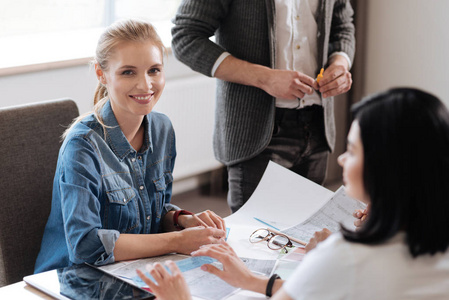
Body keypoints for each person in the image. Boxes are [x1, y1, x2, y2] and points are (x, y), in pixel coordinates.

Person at [137, 88, 449, 299]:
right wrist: (253, 281)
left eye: (352, 151)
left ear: (385, 169)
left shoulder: (345, 258)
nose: (341, 159)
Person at [34, 19, 226, 274]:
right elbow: (85, 246)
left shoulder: (162, 129)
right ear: (101, 74)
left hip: (134, 271)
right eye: (128, 72)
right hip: (74, 279)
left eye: (154, 70)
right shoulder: (82, 146)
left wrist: (181, 220)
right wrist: (177, 241)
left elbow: (149, 215)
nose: (146, 85)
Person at [171, 0, 356, 212]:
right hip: (255, 131)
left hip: (317, 127)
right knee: (255, 240)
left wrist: (340, 64)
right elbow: (185, 37)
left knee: (306, 238)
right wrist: (264, 78)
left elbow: (343, 25)